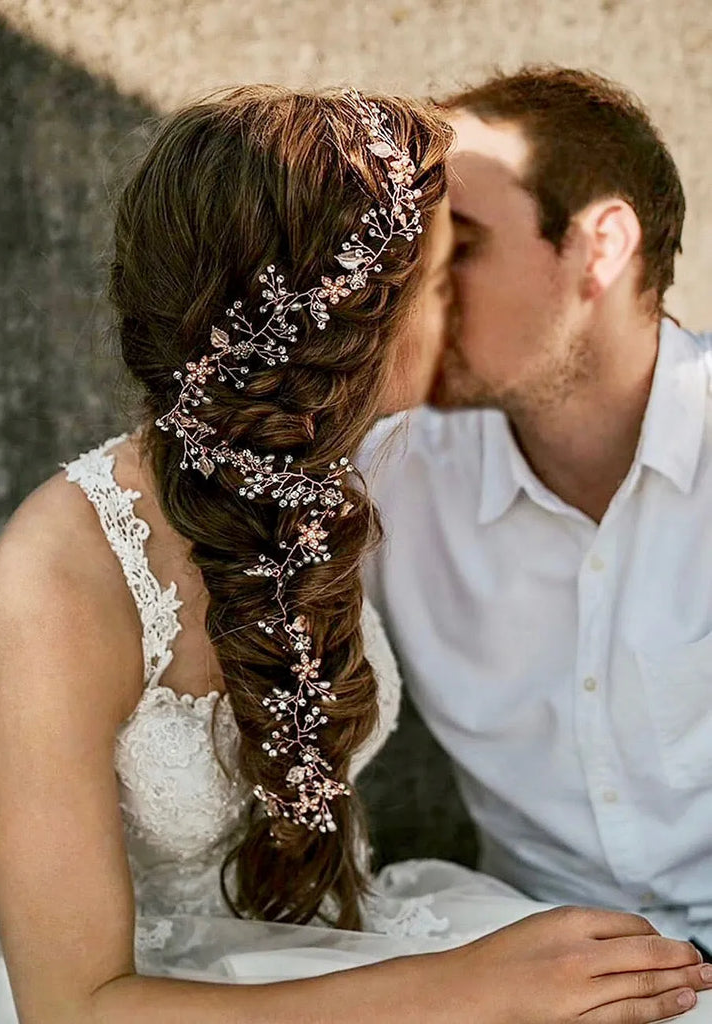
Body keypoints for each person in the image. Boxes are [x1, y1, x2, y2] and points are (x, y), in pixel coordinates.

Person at [0, 85, 710, 1024]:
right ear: (341, 322)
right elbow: (70, 1006)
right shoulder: (49, 585)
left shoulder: (335, 480)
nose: (454, 305)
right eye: (438, 279)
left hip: (353, 943)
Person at [361, 65, 712, 982]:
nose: (410, 284)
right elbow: (173, 562)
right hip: (519, 970)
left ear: (601, 249)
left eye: (461, 243)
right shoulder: (387, 465)